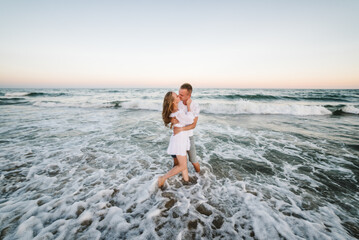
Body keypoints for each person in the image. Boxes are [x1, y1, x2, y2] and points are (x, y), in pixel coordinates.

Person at [158, 91, 194, 188]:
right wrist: (189, 106)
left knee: (184, 163)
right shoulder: (177, 113)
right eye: (176, 96)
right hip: (180, 141)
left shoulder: (175, 111)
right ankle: (163, 178)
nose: (178, 96)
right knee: (182, 165)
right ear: (173, 101)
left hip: (180, 139)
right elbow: (191, 120)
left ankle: (187, 182)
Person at [171, 83, 200, 173]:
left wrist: (181, 129)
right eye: (179, 93)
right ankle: (174, 181)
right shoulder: (177, 102)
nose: (179, 96)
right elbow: (171, 116)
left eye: (182, 95)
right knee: (176, 161)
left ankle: (201, 178)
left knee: (193, 161)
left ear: (189, 95)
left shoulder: (195, 106)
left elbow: (193, 125)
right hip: (178, 137)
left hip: (188, 136)